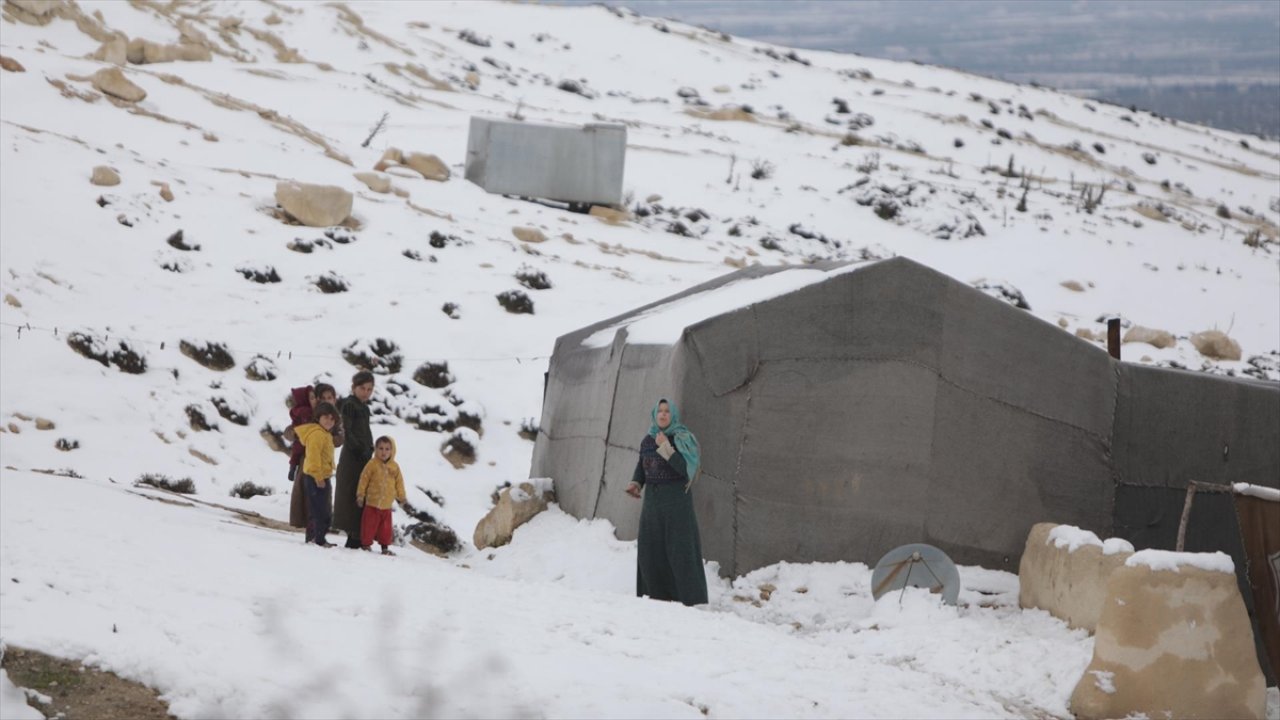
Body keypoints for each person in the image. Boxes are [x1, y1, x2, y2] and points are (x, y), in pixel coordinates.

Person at [624, 398, 709, 606]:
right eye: (659, 411)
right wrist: (636, 483)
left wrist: (666, 447)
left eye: (667, 411)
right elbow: (642, 464)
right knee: (650, 548)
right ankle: (655, 594)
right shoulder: (648, 440)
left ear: (673, 415)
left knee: (680, 549)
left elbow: (685, 470)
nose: (662, 415)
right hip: (653, 504)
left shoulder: (682, 438)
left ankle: (690, 597)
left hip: (677, 503)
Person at [287, 382, 343, 536]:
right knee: (310, 499)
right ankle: (313, 533)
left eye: (329, 398)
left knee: (321, 501)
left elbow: (339, 439)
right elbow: (291, 431)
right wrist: (302, 435)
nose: (326, 400)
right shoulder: (311, 416)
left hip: (324, 465)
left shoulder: (333, 418)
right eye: (323, 398)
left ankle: (319, 532)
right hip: (309, 462)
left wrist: (330, 436)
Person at [333, 371, 375, 549]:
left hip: (364, 456)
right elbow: (348, 431)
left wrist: (370, 448)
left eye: (369, 389)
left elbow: (365, 431)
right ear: (354, 388)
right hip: (352, 457)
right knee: (350, 494)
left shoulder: (364, 407)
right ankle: (352, 536)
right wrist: (359, 448)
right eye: (362, 388)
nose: (366, 392)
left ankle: (358, 536)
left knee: (361, 493)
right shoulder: (350, 405)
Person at [296, 402, 340, 547]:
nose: (329, 421)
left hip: (323, 476)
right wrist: (318, 477)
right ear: (318, 418)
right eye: (326, 417)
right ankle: (317, 539)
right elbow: (314, 458)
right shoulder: (316, 435)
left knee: (324, 510)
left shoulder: (325, 434)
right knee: (320, 510)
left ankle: (317, 538)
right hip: (316, 478)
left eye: (332, 419)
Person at [356, 435, 407, 555]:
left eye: (387, 449)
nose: (384, 452)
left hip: (386, 505)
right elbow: (364, 479)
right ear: (375, 449)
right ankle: (366, 545)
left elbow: (399, 482)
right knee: (368, 525)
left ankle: (385, 547)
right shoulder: (372, 464)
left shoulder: (394, 467)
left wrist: (402, 496)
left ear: (392, 450)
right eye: (380, 448)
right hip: (372, 503)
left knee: (385, 529)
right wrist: (360, 495)